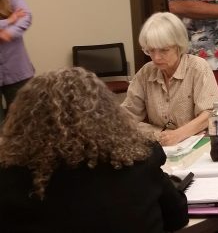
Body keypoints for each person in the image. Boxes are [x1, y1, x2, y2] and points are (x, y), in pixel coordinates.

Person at [0, 67, 188, 232]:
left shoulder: (9, 178)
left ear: (25, 121)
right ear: (107, 113)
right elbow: (177, 218)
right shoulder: (140, 160)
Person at [122, 12, 218, 146]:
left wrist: (178, 135)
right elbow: (127, 116)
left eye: (164, 50)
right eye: (151, 50)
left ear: (179, 46)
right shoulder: (146, 72)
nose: (156, 58)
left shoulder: (197, 67)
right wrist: (159, 135)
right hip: (159, 146)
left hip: (197, 145)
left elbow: (209, 114)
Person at [0, 0, 34, 120]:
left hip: (17, 71)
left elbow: (26, 16)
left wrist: (9, 33)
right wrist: (8, 21)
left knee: (24, 121)